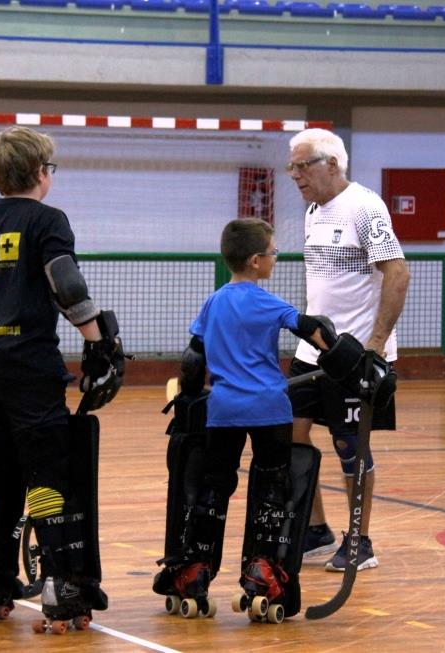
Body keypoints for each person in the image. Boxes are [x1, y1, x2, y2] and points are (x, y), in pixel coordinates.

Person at [0, 126, 124, 629]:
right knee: (47, 472)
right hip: (28, 364)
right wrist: (97, 341)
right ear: (41, 173)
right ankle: (62, 593)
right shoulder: (47, 220)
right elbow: (66, 283)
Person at [159, 218, 332, 620]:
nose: (275, 258)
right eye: (272, 253)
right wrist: (341, 357)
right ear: (256, 261)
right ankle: (261, 570)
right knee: (272, 487)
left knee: (214, 489)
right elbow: (313, 331)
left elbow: (192, 359)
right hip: (270, 408)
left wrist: (187, 395)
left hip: (223, 411)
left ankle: (196, 570)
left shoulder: (214, 301)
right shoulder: (269, 302)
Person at [285, 128, 410, 573]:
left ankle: (360, 540)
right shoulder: (314, 211)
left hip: (354, 355)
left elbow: (397, 273)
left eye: (302, 165)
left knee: (348, 447)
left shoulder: (365, 208)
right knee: (290, 434)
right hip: (312, 352)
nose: (294, 174)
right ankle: (316, 530)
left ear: (332, 165)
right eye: (292, 166)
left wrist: (375, 348)